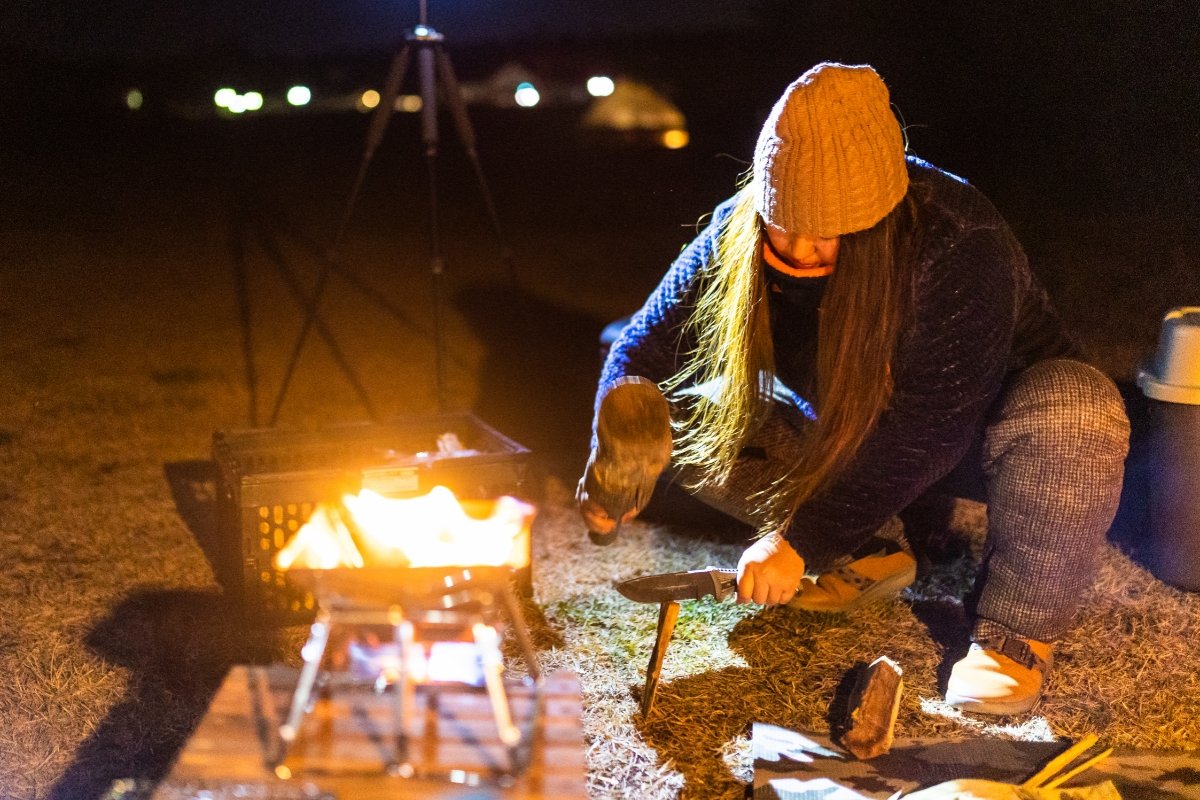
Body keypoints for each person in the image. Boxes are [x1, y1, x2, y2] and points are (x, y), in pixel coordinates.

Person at [576, 62, 1130, 715]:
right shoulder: (740, 225)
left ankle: (1015, 636)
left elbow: (930, 427)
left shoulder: (956, 237)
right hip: (852, 423)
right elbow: (641, 344)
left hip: (989, 434)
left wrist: (799, 538)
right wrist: (621, 445)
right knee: (690, 412)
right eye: (786, 225)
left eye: (828, 230)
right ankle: (872, 547)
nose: (803, 249)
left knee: (1079, 407)